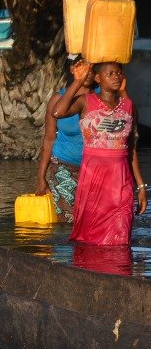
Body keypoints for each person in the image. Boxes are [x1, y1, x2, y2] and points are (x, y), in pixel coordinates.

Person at [53, 60, 145, 246]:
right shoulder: (86, 102)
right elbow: (58, 112)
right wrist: (77, 81)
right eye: (110, 74)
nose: (116, 77)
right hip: (94, 181)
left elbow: (131, 148)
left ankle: (119, 272)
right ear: (97, 78)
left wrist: (141, 187)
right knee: (91, 237)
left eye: (118, 73)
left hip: (121, 181)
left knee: (121, 234)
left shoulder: (128, 106)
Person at [35, 55, 89, 221]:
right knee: (68, 219)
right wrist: (41, 177)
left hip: (94, 168)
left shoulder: (102, 99)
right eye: (82, 67)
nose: (88, 72)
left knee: (92, 219)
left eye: (92, 68)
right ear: (73, 69)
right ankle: (67, 248)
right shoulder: (58, 100)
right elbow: (49, 139)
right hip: (63, 166)